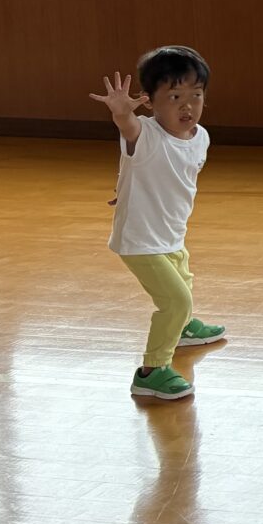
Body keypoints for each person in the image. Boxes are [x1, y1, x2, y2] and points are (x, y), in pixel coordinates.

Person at [94, 47, 223, 401]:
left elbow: (152, 170)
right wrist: (122, 113)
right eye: (175, 97)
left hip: (171, 233)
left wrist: (126, 186)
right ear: (149, 101)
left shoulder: (201, 137)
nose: (187, 106)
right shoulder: (145, 133)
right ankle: (152, 371)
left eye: (196, 95)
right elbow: (131, 133)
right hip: (140, 240)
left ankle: (183, 328)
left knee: (184, 279)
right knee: (175, 300)